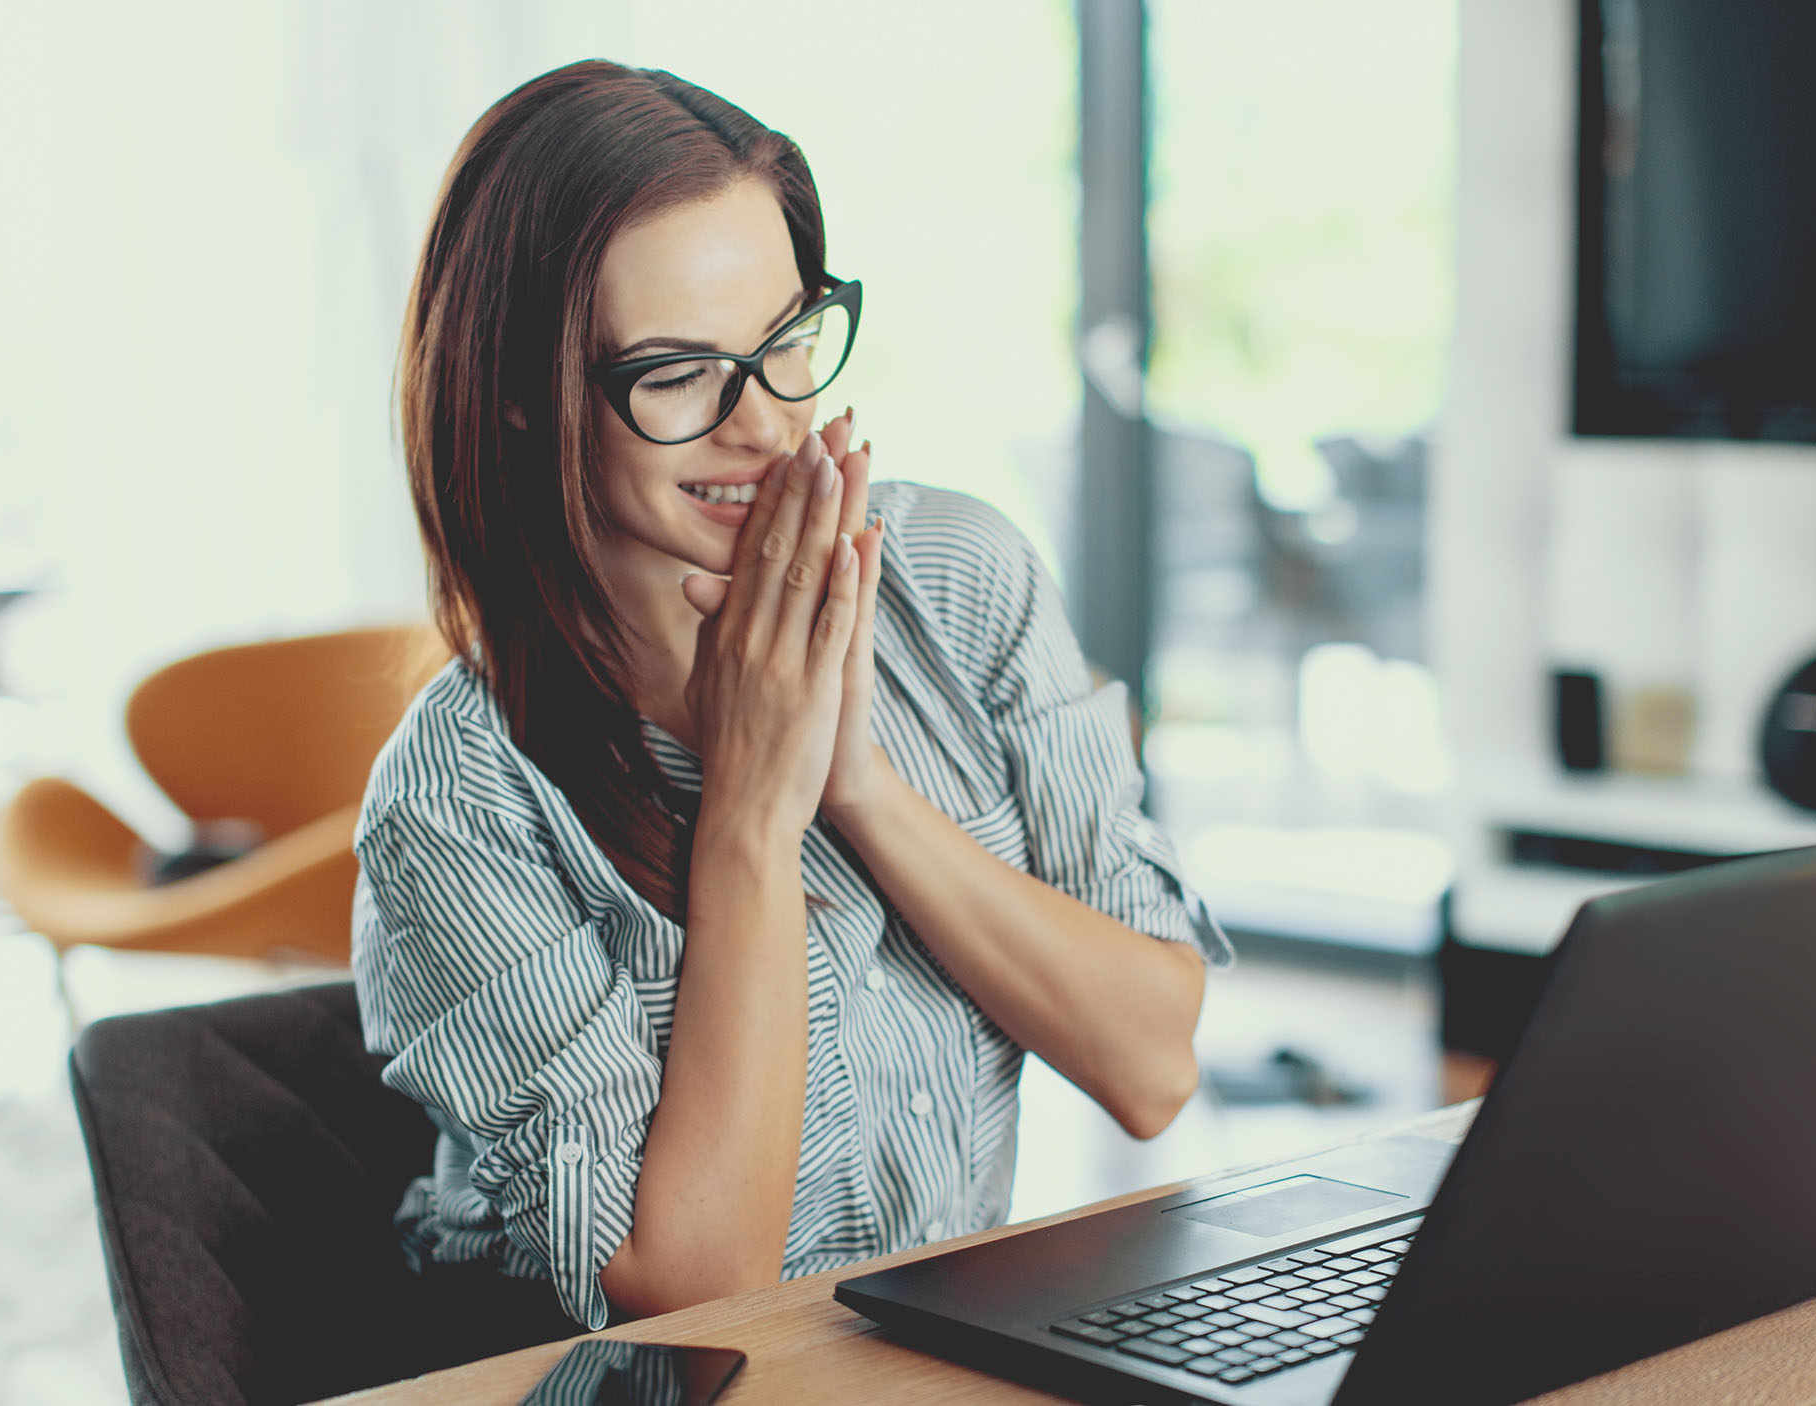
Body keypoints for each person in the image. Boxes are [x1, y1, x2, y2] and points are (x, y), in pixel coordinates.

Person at [353, 59, 1232, 1340]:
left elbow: (1152, 1063)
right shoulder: (454, 799)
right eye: (677, 373)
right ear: (518, 401)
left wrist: (859, 784)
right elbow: (693, 1304)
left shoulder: (960, 581)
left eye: (784, 342)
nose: (765, 425)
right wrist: (754, 813)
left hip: (922, 1362)